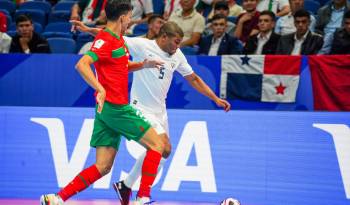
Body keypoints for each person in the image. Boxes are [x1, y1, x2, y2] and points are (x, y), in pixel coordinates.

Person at [71, 20, 231, 205]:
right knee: (159, 146)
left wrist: (215, 99)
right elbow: (111, 37)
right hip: (141, 108)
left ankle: (126, 184)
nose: (178, 46)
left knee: (165, 151)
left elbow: (193, 79)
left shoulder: (177, 54)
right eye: (176, 41)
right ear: (164, 37)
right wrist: (88, 29)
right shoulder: (142, 45)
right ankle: (142, 195)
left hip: (160, 111)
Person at [40, 1, 166, 205]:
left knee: (102, 166)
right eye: (130, 17)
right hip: (116, 108)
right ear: (123, 17)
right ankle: (143, 197)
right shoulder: (107, 40)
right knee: (158, 144)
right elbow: (82, 64)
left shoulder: (116, 38)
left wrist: (143, 65)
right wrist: (100, 88)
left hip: (106, 112)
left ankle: (57, 198)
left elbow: (121, 65)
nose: (131, 21)